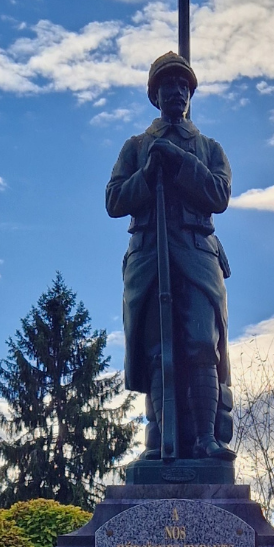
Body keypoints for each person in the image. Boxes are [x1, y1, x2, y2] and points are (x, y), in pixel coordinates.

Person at [106, 50, 235, 460]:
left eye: (183, 85)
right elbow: (113, 200)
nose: (177, 91)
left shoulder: (209, 148)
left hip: (197, 255)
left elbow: (218, 195)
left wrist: (180, 161)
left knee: (200, 343)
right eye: (168, 85)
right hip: (150, 256)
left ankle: (206, 439)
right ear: (155, 95)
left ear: (190, 94)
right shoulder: (135, 147)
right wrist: (147, 174)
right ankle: (161, 439)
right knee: (158, 350)